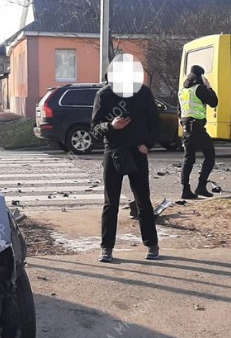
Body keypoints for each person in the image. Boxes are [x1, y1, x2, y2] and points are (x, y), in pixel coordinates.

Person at [91, 79, 161, 263]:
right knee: (110, 202)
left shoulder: (143, 92)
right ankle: (106, 248)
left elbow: (155, 122)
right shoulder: (104, 94)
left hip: (138, 151)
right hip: (114, 151)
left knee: (143, 200)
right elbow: (94, 128)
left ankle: (152, 244)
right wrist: (110, 125)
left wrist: (147, 144)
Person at [178, 65, 219, 199]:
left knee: (188, 159)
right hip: (197, 127)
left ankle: (185, 189)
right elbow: (214, 102)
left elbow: (179, 111)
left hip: (186, 127)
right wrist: (209, 87)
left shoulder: (182, 91)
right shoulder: (199, 89)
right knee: (210, 155)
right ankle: (201, 186)